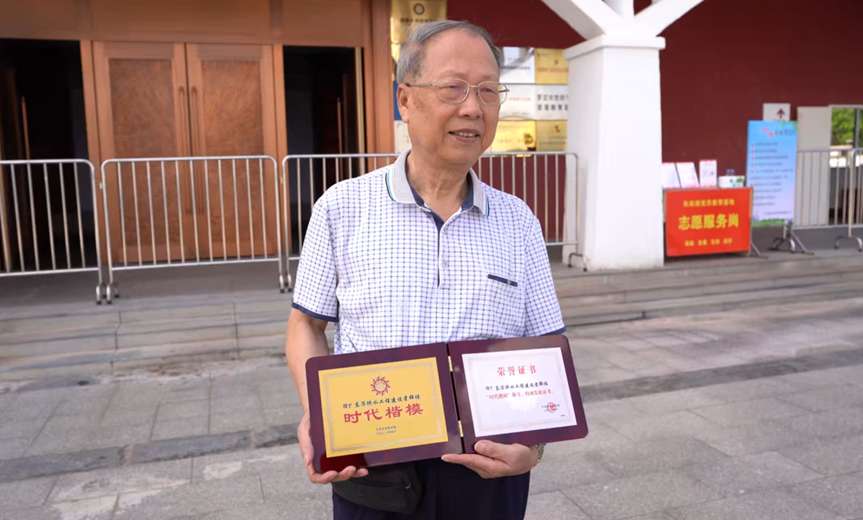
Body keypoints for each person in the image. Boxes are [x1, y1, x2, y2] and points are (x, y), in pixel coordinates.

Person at [285, 20, 565, 520]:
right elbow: (306, 324)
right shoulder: (342, 208)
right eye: (454, 87)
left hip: (487, 472)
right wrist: (319, 414)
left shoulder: (518, 221)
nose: (473, 108)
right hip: (373, 467)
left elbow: (547, 346)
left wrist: (534, 446)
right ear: (406, 99)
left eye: (487, 90)